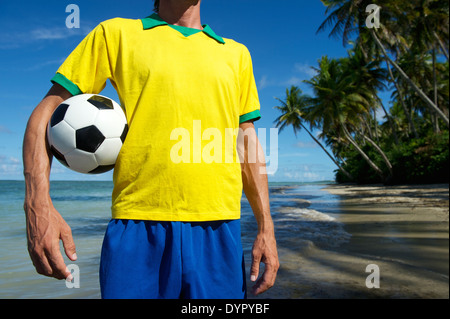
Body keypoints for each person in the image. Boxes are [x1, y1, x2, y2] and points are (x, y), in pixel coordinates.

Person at [22, 0, 279, 299]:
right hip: (137, 227)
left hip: (220, 228)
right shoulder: (115, 33)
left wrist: (266, 226)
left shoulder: (236, 54)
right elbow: (47, 111)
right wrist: (37, 205)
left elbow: (245, 138)